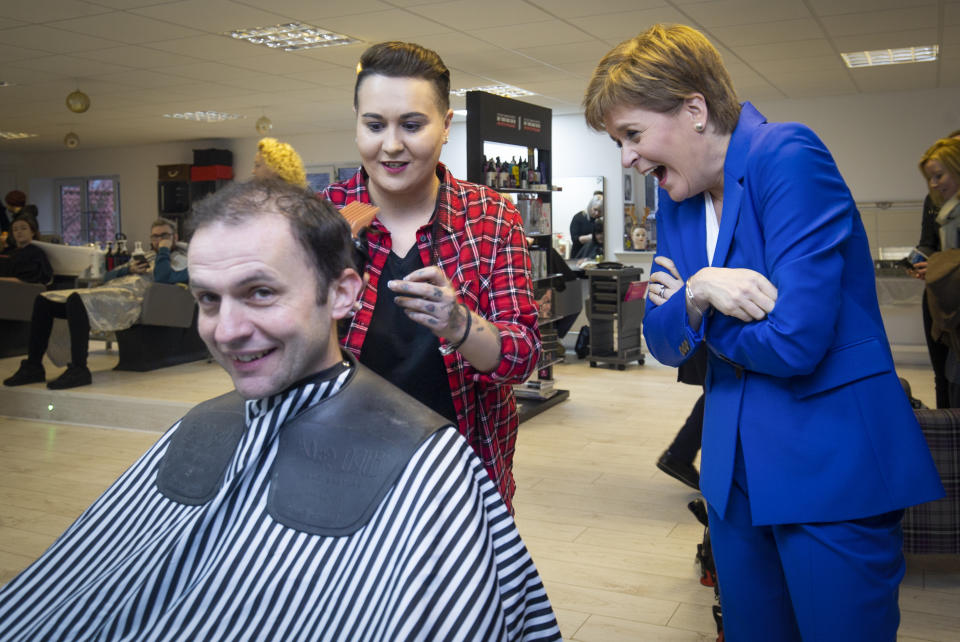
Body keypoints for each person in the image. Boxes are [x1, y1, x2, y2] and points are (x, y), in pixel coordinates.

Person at [0, 178, 563, 641]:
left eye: (260, 292)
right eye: (208, 299)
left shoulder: (433, 468)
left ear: (343, 294)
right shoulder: (199, 426)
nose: (227, 330)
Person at [583, 24, 944, 641]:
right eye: (619, 141)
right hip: (734, 473)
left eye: (633, 135)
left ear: (694, 110)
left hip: (830, 465)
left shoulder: (789, 157)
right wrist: (703, 290)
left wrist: (696, 313)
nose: (628, 159)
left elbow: (795, 341)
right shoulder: (678, 197)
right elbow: (661, 342)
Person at [323, 42, 540, 513]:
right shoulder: (325, 218)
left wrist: (459, 325)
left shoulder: (490, 216)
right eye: (375, 125)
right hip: (344, 468)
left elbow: (522, 356)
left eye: (413, 125)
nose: (392, 145)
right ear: (356, 121)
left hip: (461, 478)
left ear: (445, 126)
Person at [3, 217, 187, 389]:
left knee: (77, 300)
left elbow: (164, 278)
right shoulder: (144, 256)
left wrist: (164, 250)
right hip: (109, 291)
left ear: (175, 237)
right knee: (45, 300)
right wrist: (128, 270)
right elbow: (106, 276)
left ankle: (79, 369)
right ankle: (33, 366)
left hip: (132, 299)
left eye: (164, 236)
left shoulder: (182, 259)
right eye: (155, 236)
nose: (159, 240)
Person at [909, 130, 960, 408]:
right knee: (947, 377)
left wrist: (939, 266)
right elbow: (928, 243)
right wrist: (921, 261)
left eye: (939, 175)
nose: (934, 183)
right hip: (943, 299)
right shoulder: (942, 207)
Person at [0, 212, 52, 284]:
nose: (19, 232)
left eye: (23, 228)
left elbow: (26, 280)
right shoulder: (8, 251)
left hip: (21, 290)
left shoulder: (36, 253)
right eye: (15, 229)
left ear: (32, 232)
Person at [569, 190, 604, 258]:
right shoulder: (578, 218)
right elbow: (575, 239)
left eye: (600, 211)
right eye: (595, 210)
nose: (597, 213)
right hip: (579, 254)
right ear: (590, 206)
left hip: (596, 255)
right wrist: (592, 237)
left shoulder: (602, 220)